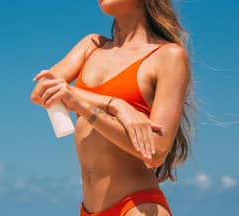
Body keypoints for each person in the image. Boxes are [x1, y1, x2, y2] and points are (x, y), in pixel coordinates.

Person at [31, 0, 196, 215]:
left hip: (136, 207)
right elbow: (41, 92)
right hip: (88, 210)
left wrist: (83, 104)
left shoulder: (168, 56)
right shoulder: (92, 46)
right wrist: (115, 105)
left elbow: (156, 152)